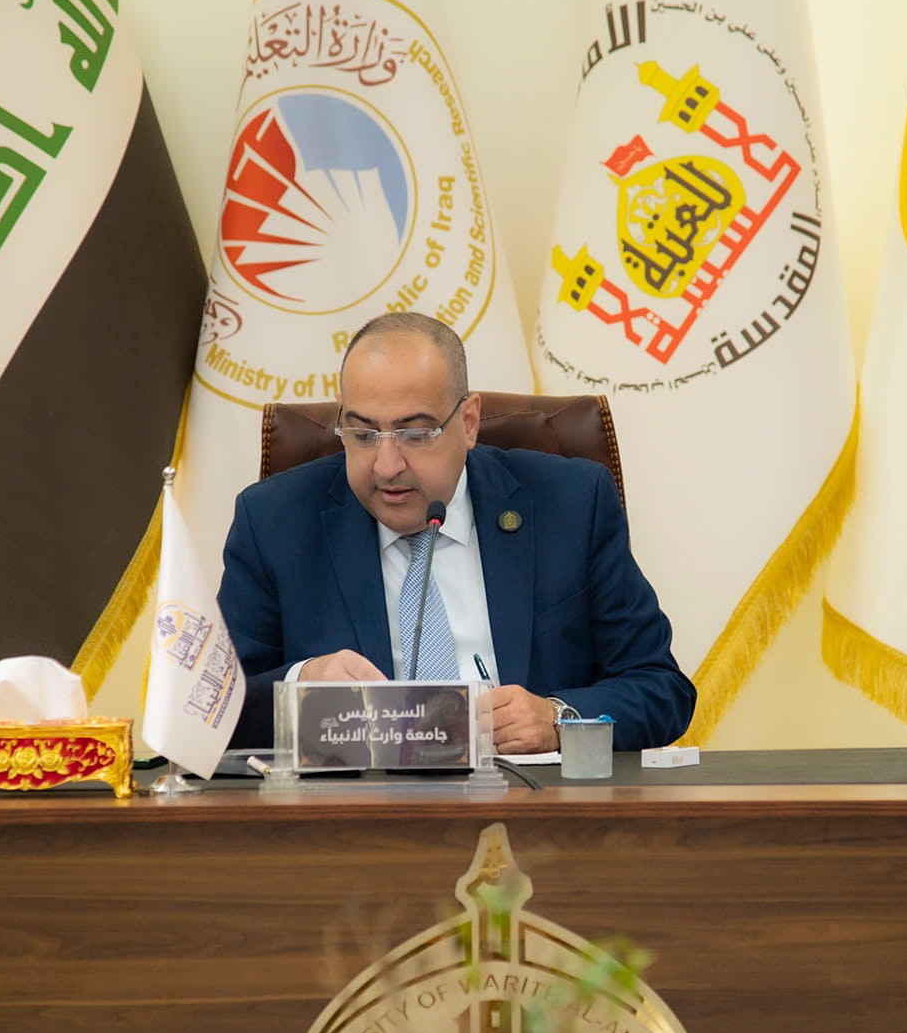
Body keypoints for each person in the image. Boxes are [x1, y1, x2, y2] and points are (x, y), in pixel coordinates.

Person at [217, 312, 696, 753]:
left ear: (468, 422)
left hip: (533, 806)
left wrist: (558, 718)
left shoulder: (570, 504)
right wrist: (300, 684)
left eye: (415, 434)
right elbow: (213, 714)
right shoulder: (274, 522)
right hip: (356, 811)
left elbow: (660, 687)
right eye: (363, 434)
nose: (386, 465)